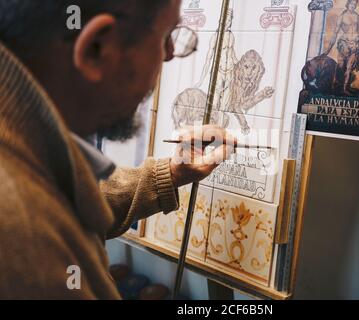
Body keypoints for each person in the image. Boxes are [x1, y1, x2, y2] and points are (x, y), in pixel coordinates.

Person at [0, 0, 235, 299]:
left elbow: (71, 196)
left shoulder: (25, 144)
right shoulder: (24, 232)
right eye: (165, 38)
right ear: (97, 48)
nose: (170, 55)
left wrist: (170, 173)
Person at [323, 0, 359, 93]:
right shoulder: (342, 16)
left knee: (349, 67)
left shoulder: (356, 15)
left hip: (355, 44)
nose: (353, 6)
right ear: (348, 4)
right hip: (344, 42)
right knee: (341, 66)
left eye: (355, 4)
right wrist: (328, 50)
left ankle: (345, 89)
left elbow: (358, 30)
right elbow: (335, 33)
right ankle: (334, 85)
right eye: (351, 4)